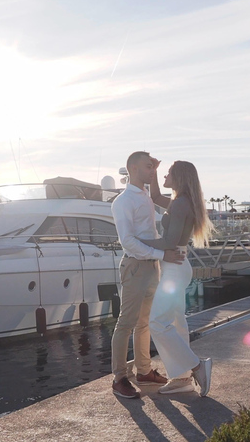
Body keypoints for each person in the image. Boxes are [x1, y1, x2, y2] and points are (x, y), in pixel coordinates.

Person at [110, 151, 185, 399]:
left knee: (145, 323)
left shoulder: (145, 196)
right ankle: (120, 378)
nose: (152, 171)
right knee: (126, 323)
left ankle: (143, 371)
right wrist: (164, 255)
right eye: (147, 167)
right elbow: (128, 242)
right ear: (132, 168)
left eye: (153, 167)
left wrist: (160, 258)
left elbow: (155, 205)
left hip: (153, 266)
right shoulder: (122, 201)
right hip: (135, 266)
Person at [140, 159, 214, 396]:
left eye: (168, 173)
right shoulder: (180, 201)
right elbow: (155, 197)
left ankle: (196, 366)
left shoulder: (181, 204)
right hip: (176, 265)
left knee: (157, 323)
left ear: (179, 177)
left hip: (174, 266)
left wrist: (134, 241)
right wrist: (154, 173)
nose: (164, 178)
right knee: (176, 322)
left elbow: (168, 242)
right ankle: (182, 379)